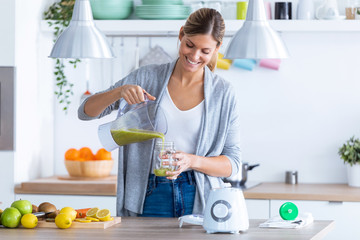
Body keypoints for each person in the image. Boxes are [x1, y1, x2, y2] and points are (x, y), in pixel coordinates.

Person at [78, 8, 241, 217]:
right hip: (149, 192)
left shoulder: (223, 94)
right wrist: (119, 91)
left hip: (199, 194)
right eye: (189, 45)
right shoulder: (147, 77)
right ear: (181, 34)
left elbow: (233, 163)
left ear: (217, 48)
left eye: (205, 51)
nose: (194, 56)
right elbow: (85, 112)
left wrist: (191, 161)